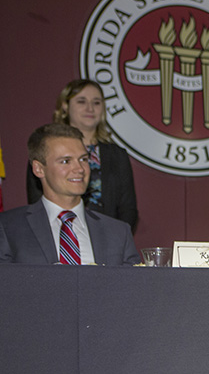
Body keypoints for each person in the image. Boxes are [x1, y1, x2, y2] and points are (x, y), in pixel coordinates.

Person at [0, 123, 141, 265]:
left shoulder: (118, 232)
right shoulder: (8, 228)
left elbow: (131, 285)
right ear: (39, 169)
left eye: (83, 159)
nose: (79, 168)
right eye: (66, 161)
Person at [27, 79, 138, 231]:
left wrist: (116, 238)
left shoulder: (117, 155)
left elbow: (128, 209)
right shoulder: (45, 147)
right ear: (65, 106)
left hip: (107, 238)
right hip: (58, 235)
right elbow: (36, 200)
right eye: (81, 101)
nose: (90, 108)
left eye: (96, 102)